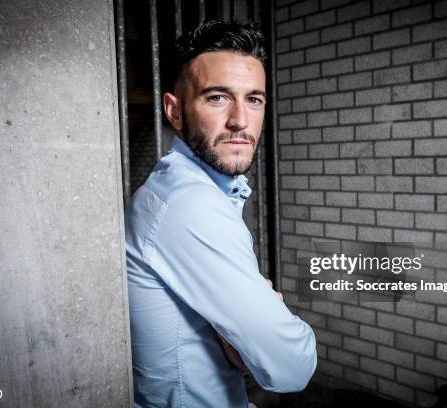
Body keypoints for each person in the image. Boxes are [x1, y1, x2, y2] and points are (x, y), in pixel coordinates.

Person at [125, 20, 317, 408]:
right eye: (217, 97)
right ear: (174, 112)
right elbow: (292, 367)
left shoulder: (174, 189)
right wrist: (263, 324)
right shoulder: (190, 204)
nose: (240, 121)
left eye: (254, 99)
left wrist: (243, 344)